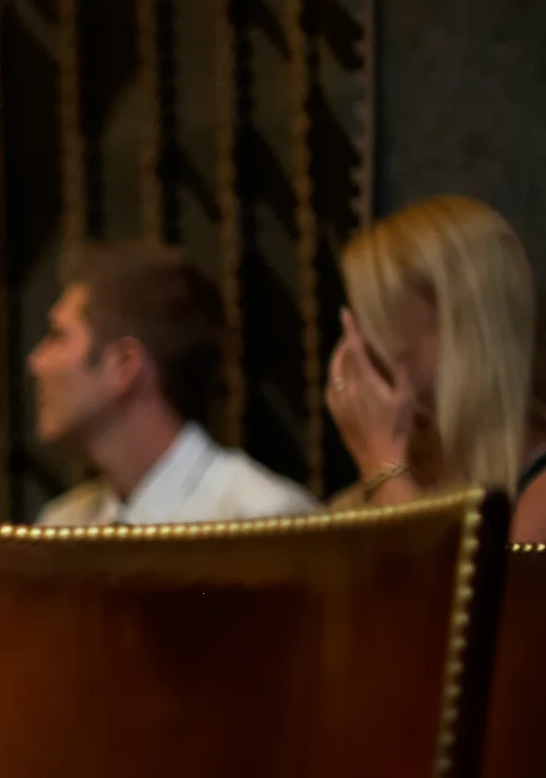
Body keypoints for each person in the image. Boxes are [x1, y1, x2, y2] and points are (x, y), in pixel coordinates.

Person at [29, 241, 317, 526]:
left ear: (124, 364)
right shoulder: (65, 526)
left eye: (58, 336)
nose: (36, 362)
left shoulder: (259, 519)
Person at [327, 195, 546, 541]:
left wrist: (384, 467)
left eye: (382, 319)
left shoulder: (537, 489)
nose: (361, 348)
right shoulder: (418, 459)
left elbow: (446, 591)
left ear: (461, 330)